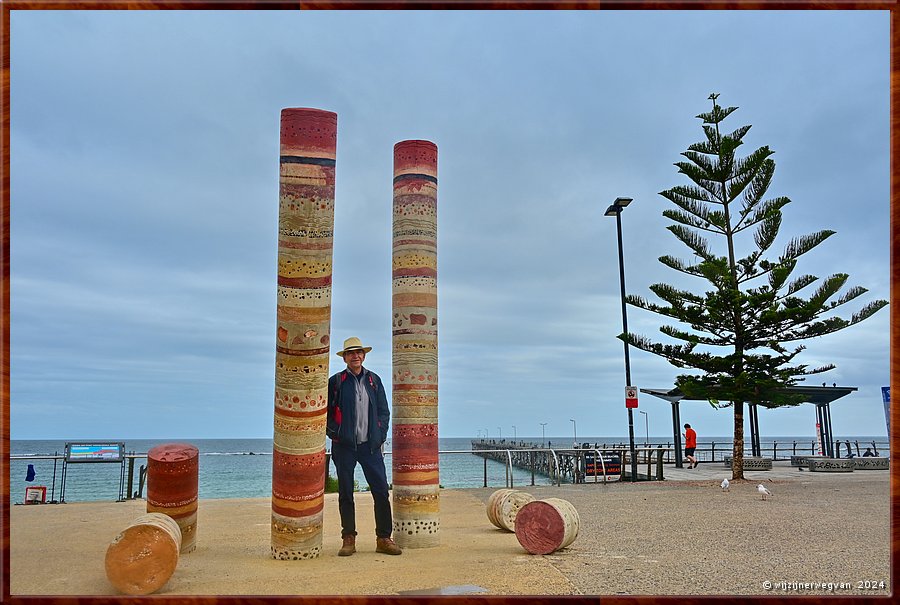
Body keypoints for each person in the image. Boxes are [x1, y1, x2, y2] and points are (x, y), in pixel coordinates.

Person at [326, 336, 402, 557]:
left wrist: (379, 437)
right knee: (346, 493)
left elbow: (384, 412)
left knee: (380, 492)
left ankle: (384, 538)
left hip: (371, 447)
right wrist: (336, 433)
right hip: (344, 446)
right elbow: (326, 412)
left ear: (364, 355)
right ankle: (348, 538)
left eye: (358, 352)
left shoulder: (374, 380)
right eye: (351, 353)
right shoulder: (336, 382)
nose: (355, 356)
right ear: (345, 358)